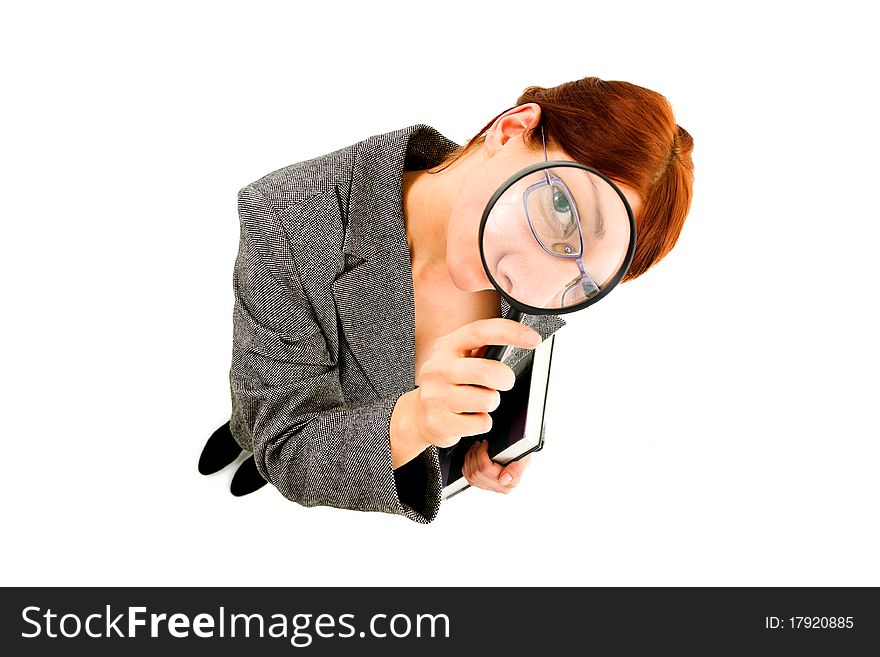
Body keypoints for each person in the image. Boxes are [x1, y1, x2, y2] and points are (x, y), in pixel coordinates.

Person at [198, 76, 695, 524]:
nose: (524, 275)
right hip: (292, 391)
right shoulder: (287, 216)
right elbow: (288, 439)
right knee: (257, 431)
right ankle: (241, 439)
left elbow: (497, 381)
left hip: (364, 441)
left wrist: (479, 441)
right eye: (561, 208)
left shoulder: (545, 292)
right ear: (510, 130)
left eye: (581, 277)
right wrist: (409, 421)